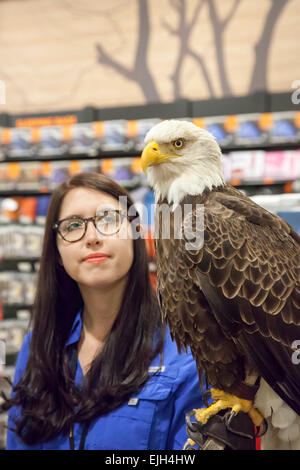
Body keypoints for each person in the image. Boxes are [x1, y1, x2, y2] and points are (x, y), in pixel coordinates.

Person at [2, 172, 206, 450]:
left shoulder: (186, 351)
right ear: (58, 250)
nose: (92, 237)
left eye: (108, 219)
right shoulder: (39, 345)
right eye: (73, 225)